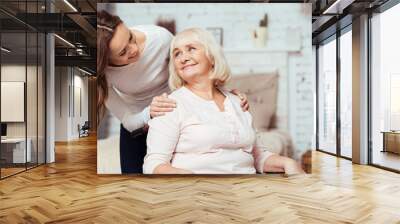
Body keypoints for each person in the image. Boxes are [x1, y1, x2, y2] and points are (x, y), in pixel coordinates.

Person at [97, 11, 249, 173]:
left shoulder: (160, 39)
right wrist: (150, 112)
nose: (134, 49)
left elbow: (191, 73)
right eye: (123, 52)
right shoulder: (101, 74)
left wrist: (226, 97)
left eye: (130, 37)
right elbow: (128, 121)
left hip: (172, 113)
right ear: (105, 61)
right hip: (136, 125)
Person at [143, 28, 304, 175]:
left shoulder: (237, 102)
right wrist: (190, 179)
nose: (183, 58)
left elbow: (258, 156)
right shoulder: (171, 104)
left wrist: (288, 163)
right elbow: (154, 164)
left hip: (245, 190)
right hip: (198, 195)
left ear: (212, 57)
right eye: (177, 53)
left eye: (191, 49)